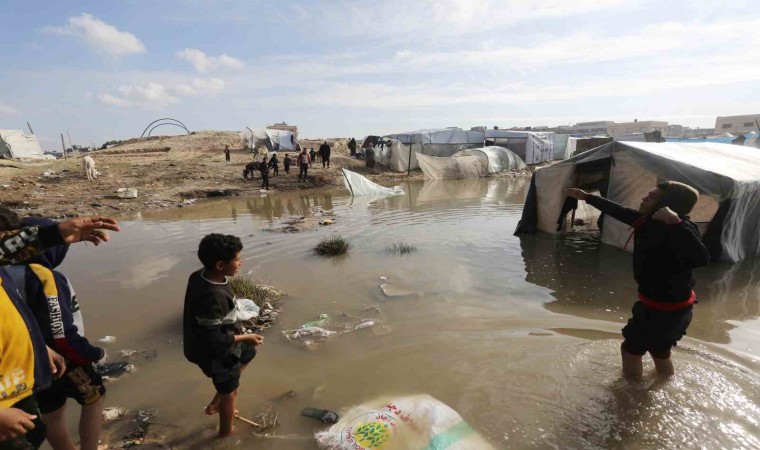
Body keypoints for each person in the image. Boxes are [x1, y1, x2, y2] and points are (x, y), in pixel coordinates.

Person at [566, 181, 710, 377]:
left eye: (651, 197)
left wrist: (675, 223)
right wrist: (587, 197)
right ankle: (662, 385)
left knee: (630, 350)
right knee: (660, 352)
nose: (644, 198)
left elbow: (702, 258)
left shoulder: (680, 228)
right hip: (668, 308)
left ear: (668, 205)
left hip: (663, 311)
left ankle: (629, 396)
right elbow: (619, 211)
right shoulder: (648, 221)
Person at [0, 216, 106, 450]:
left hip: (35, 364)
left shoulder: (7, 273)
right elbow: (60, 331)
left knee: (51, 413)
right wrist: (92, 353)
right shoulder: (45, 276)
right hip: (66, 360)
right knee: (94, 397)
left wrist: (40, 349)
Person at [182, 234, 264, 438]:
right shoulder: (213, 296)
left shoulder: (200, 275)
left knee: (248, 353)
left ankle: (218, 399)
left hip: (217, 340)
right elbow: (213, 340)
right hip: (215, 351)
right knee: (231, 394)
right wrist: (246, 337)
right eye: (237, 259)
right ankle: (225, 434)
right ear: (220, 265)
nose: (240, 262)